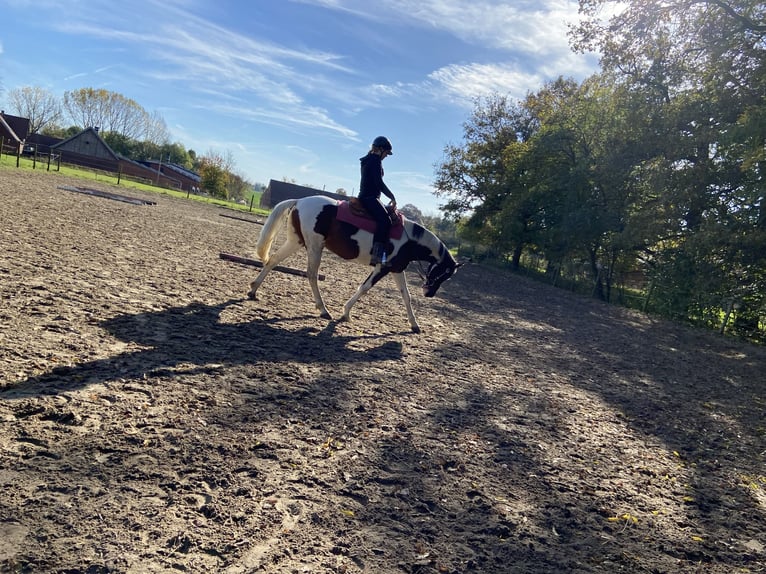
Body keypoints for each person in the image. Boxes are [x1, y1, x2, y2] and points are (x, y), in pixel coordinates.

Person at [358, 135, 396, 265]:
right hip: (370, 198)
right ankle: (378, 256)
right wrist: (392, 196)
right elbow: (379, 183)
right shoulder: (375, 161)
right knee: (385, 221)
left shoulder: (367, 159)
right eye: (386, 153)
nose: (386, 156)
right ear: (380, 149)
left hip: (365, 196)